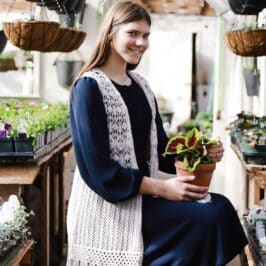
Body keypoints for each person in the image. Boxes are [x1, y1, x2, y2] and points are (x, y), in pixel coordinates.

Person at [66, 1, 247, 265]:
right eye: (133, 33)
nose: (141, 42)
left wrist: (201, 152)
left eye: (146, 35)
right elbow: (98, 170)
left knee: (220, 207)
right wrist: (162, 188)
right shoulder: (89, 88)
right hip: (110, 211)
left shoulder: (141, 86)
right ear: (110, 33)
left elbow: (163, 152)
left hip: (142, 201)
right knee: (209, 218)